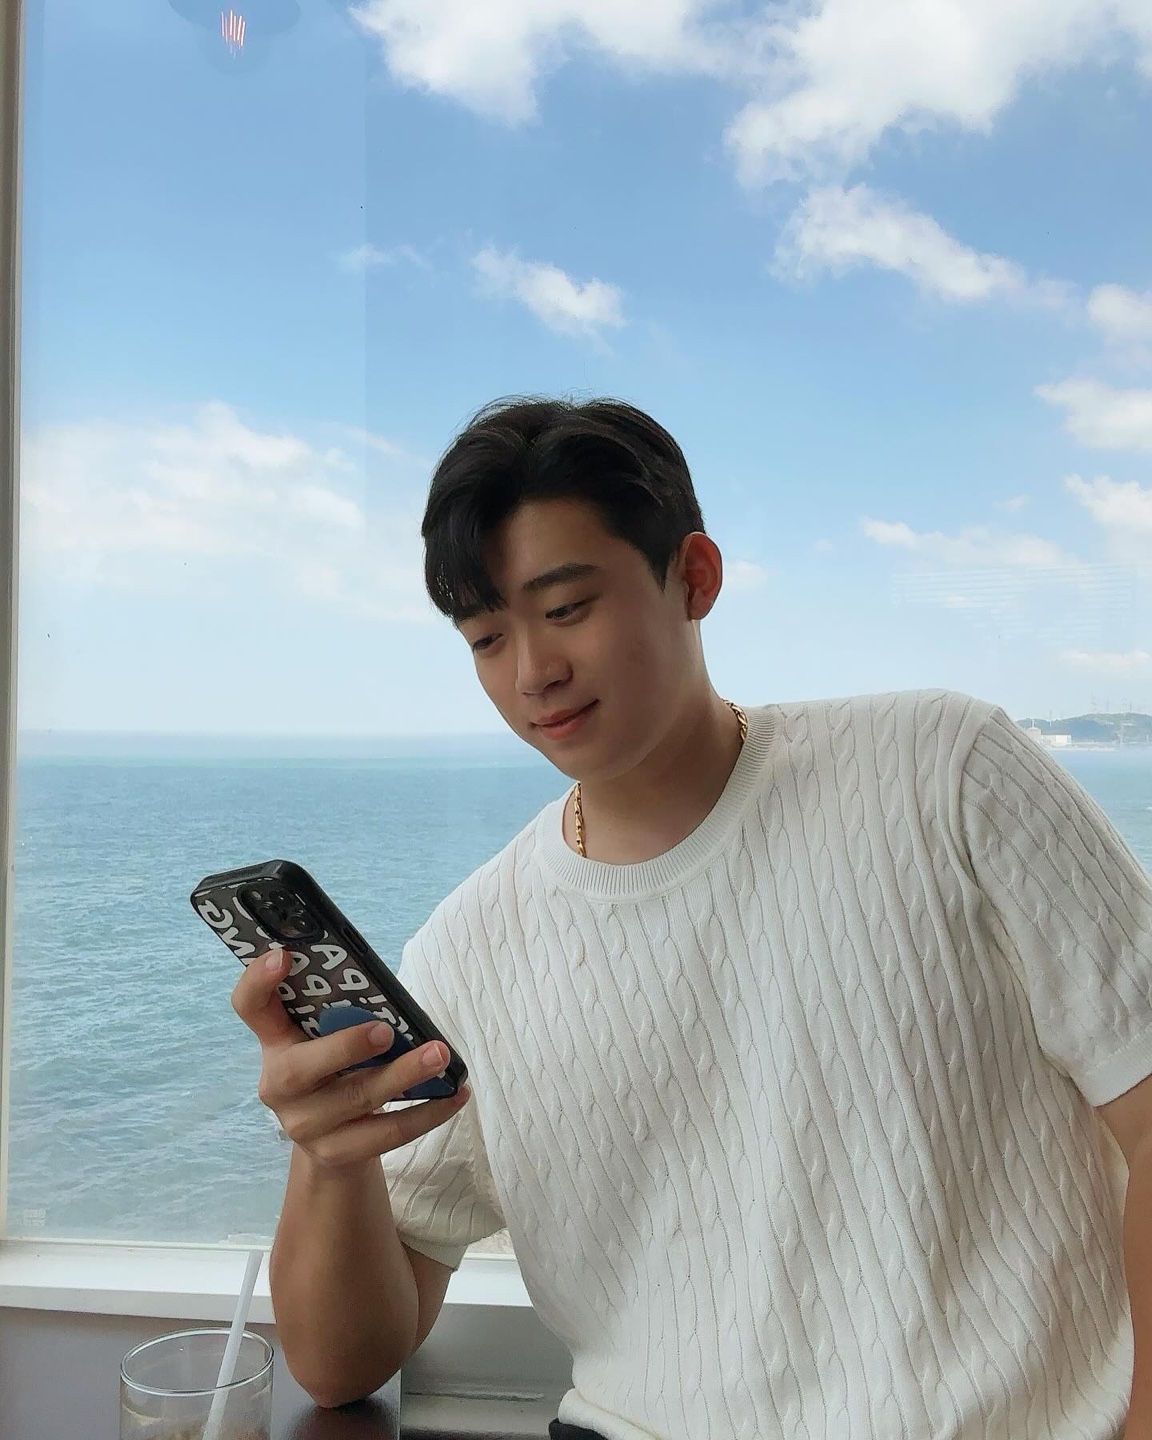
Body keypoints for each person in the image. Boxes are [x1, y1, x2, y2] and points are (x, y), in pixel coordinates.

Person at [232, 396, 1152, 1440]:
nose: (532, 672)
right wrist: (332, 1151)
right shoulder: (470, 948)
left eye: (566, 608)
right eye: (486, 637)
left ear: (695, 576)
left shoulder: (946, 772)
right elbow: (340, 1362)